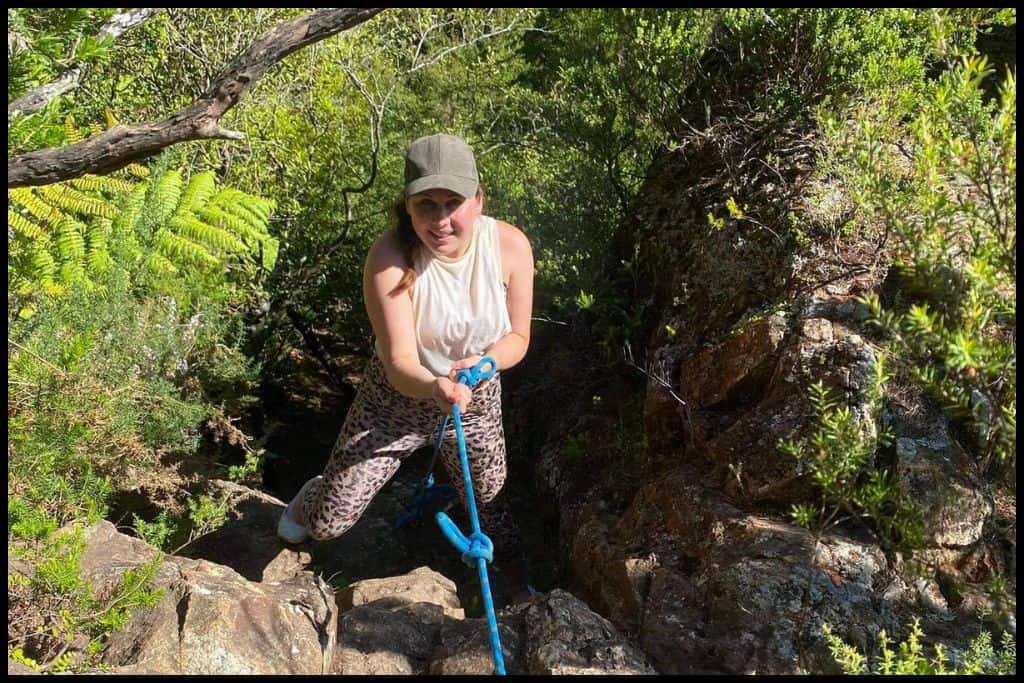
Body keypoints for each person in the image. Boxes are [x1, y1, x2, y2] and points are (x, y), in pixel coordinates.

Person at [277, 133, 535, 604]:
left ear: (478, 200)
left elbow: (518, 337)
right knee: (327, 524)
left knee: (492, 502)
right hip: (393, 403)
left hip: (475, 398)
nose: (440, 220)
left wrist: (486, 364)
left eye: (452, 203)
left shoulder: (510, 246)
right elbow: (398, 362)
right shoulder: (389, 259)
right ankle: (312, 493)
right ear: (408, 206)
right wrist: (434, 387)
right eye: (426, 205)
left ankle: (502, 577)